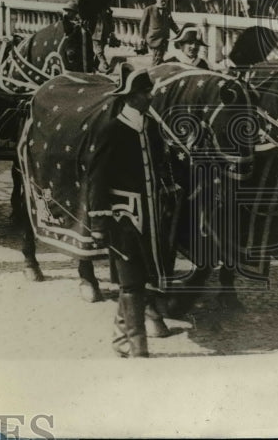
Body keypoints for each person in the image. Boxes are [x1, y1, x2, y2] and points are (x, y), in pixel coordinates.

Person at [87, 67, 173, 358]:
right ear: (132, 97)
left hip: (150, 218)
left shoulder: (150, 127)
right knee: (132, 281)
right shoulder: (111, 130)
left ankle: (120, 340)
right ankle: (137, 347)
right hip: (123, 219)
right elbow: (96, 178)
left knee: (139, 279)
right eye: (145, 92)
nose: (151, 96)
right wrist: (98, 223)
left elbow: (160, 166)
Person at [139, 0, 180, 65]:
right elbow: (142, 24)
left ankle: (157, 69)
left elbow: (172, 23)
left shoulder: (167, 10)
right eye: (162, 1)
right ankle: (154, 72)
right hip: (154, 39)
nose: (164, 3)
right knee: (157, 58)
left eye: (165, 1)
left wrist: (179, 33)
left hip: (164, 39)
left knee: (159, 58)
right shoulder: (149, 9)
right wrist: (142, 37)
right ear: (157, 1)